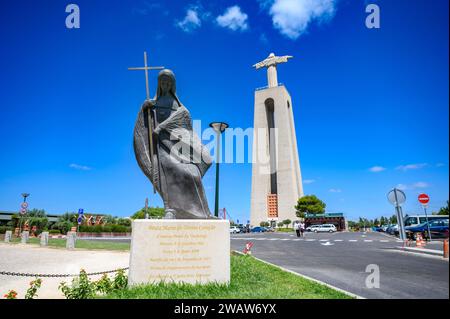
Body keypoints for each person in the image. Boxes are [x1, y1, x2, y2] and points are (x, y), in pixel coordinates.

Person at [134, 69, 213, 219]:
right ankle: (169, 209)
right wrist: (144, 108)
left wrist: (165, 126)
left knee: (193, 174)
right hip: (161, 146)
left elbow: (185, 123)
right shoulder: (152, 103)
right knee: (166, 174)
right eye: (163, 82)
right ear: (159, 84)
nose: (165, 84)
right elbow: (145, 125)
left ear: (172, 85)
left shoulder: (179, 106)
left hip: (177, 144)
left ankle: (203, 212)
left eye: (168, 82)